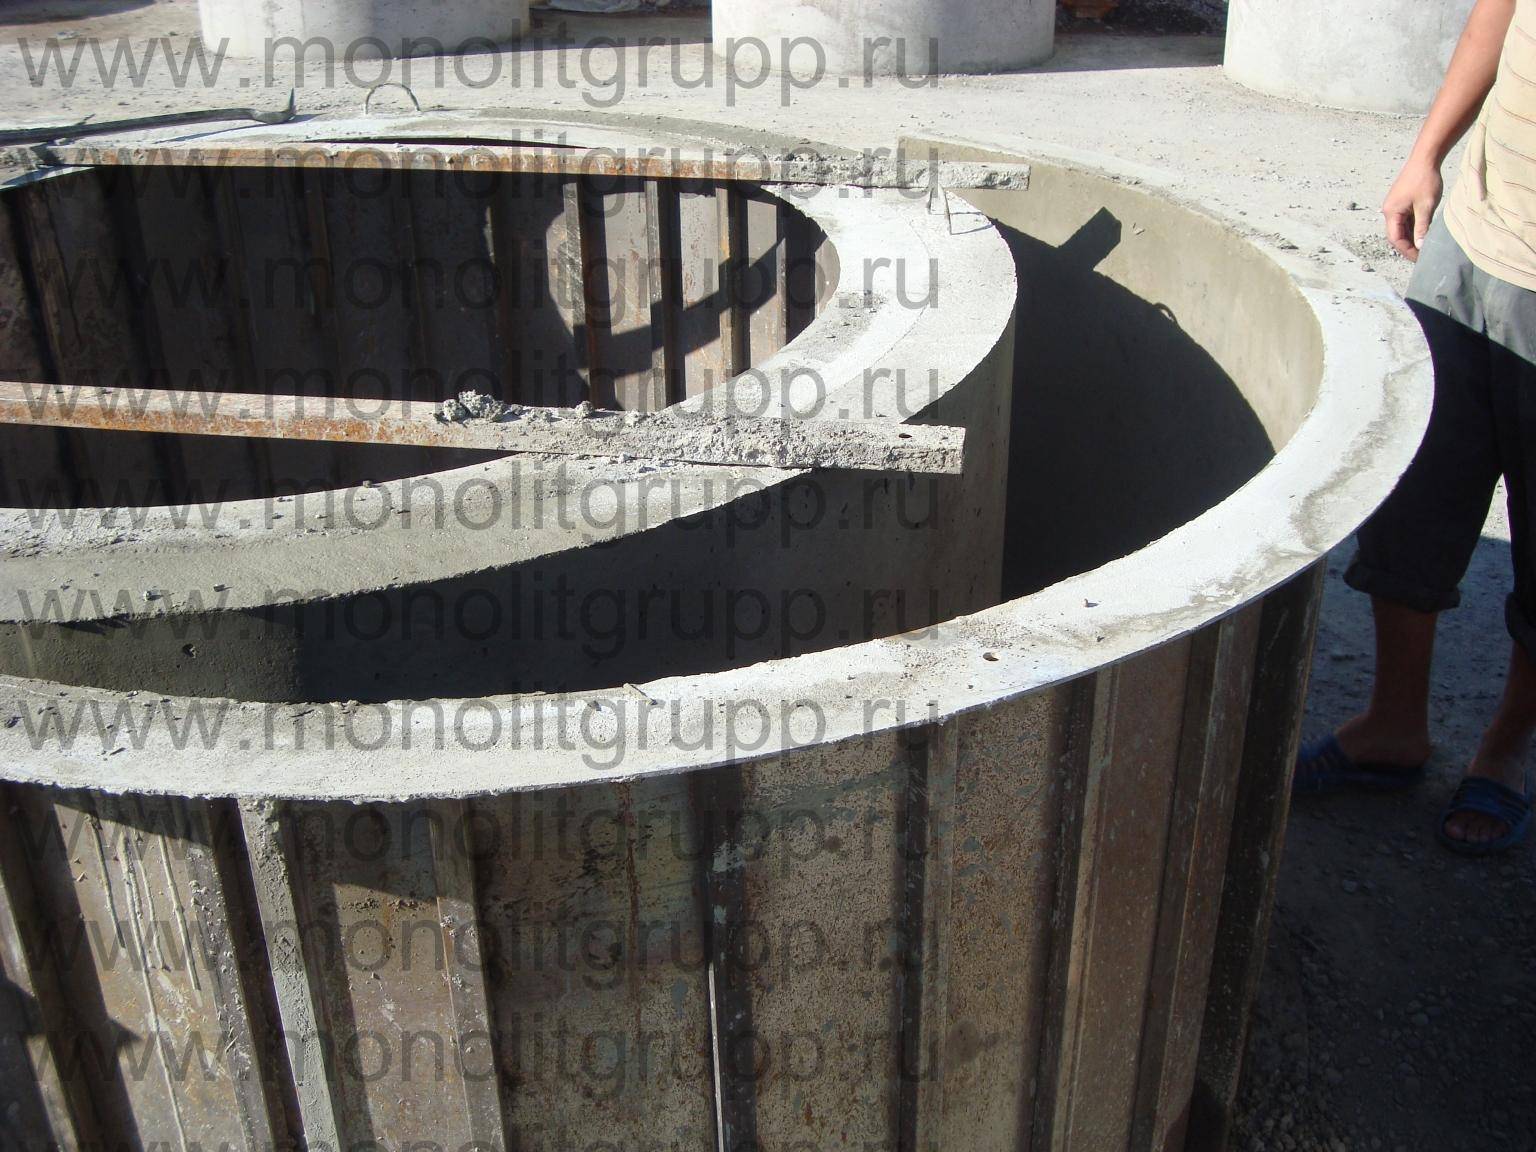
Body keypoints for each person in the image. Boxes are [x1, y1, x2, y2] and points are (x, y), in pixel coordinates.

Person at [1295, 0, 1535, 856]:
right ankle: (1392, 726)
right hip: (1474, 241)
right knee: (1412, 499)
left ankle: (1503, 752)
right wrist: (1426, 153)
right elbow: (1499, 14)